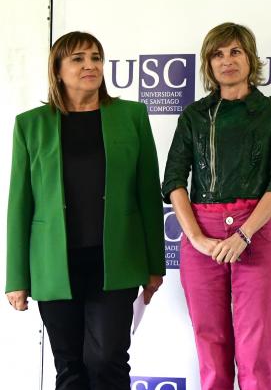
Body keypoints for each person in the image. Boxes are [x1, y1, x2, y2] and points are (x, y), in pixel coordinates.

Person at [5, 31, 165, 389]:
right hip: (53, 264)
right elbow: (20, 204)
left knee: (107, 359)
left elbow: (147, 195)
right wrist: (16, 278)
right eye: (78, 59)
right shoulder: (30, 125)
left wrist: (156, 264)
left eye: (95, 57)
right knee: (69, 366)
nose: (90, 65)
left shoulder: (131, 116)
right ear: (57, 70)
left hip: (116, 261)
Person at [161, 22, 271, 390]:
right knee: (210, 343)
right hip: (201, 231)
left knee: (257, 346)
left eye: (235, 51)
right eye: (217, 54)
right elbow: (173, 181)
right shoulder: (194, 115)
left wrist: (244, 234)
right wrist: (197, 239)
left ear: (250, 57)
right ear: (208, 63)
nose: (227, 60)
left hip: (256, 228)